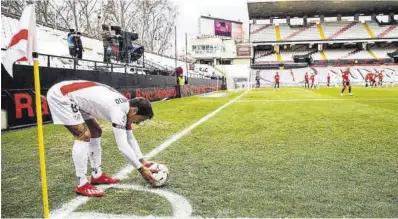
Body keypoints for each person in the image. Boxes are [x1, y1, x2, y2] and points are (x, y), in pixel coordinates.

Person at [47, 80, 157, 197]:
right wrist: (141, 169)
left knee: (95, 131)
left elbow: (130, 137)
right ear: (134, 110)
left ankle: (96, 175)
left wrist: (142, 161)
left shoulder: (126, 109)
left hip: (74, 96)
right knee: (83, 135)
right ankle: (81, 183)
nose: (139, 123)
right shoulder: (119, 110)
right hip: (62, 95)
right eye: (141, 119)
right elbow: (123, 146)